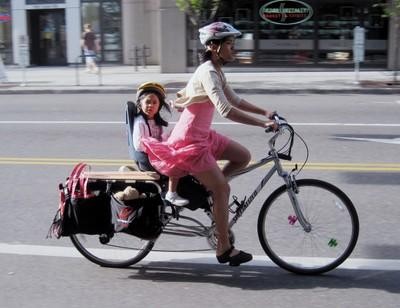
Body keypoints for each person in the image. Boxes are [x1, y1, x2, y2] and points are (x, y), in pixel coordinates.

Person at [142, 22, 277, 266]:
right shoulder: (208, 72)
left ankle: (210, 191)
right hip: (191, 140)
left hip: (204, 135)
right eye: (229, 45)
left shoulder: (216, 69)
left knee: (242, 156)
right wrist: (261, 125)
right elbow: (226, 109)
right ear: (214, 46)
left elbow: (234, 99)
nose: (233, 50)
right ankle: (224, 247)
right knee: (223, 189)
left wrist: (265, 112)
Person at [133, 82, 189, 207]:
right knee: (178, 163)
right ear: (140, 103)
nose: (150, 105)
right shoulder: (140, 122)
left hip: (159, 155)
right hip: (150, 160)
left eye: (154, 103)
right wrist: (158, 146)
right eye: (147, 102)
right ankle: (171, 193)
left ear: (159, 106)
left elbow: (163, 137)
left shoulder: (156, 121)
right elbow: (138, 145)